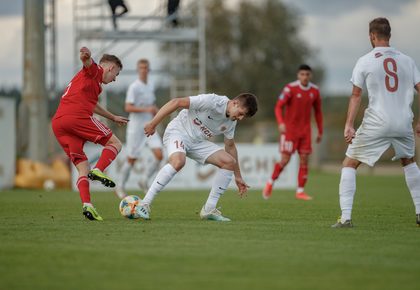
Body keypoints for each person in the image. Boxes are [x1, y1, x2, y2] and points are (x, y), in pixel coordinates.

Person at [332, 17, 420, 228]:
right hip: (403, 122)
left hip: (377, 121)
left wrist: (349, 125)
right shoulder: (407, 60)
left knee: (349, 164)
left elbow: (356, 95)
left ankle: (345, 218)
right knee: (409, 162)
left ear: (372, 36)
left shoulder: (365, 60)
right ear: (389, 35)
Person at [138, 93, 258, 221]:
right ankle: (144, 203)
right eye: (240, 113)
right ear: (235, 103)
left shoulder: (231, 122)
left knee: (229, 162)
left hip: (197, 142)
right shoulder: (212, 101)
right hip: (178, 132)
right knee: (178, 162)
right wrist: (153, 123)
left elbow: (230, 146)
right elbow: (176, 102)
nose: (240, 118)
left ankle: (209, 209)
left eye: (243, 116)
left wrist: (238, 176)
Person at [52, 47, 128, 221]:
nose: (115, 79)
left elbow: (93, 105)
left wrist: (112, 116)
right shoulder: (95, 72)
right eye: (116, 74)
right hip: (76, 117)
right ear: (110, 68)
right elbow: (88, 63)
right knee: (115, 144)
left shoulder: (93, 85)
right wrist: (85, 56)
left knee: (82, 167)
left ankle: (88, 205)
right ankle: (99, 170)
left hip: (59, 123)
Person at [262, 64, 323, 201]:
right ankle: (270, 183)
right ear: (298, 75)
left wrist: (320, 130)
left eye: (307, 74)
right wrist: (281, 122)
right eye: (302, 74)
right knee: (285, 160)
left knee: (304, 159)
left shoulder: (315, 91)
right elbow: (278, 106)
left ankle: (300, 191)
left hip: (305, 131)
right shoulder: (290, 89)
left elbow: (318, 112)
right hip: (290, 131)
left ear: (310, 75)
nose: (305, 77)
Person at [115, 59, 164, 199]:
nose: (143, 70)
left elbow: (151, 104)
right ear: (138, 70)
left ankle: (144, 180)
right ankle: (120, 186)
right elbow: (128, 107)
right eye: (141, 67)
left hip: (149, 126)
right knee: (132, 158)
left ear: (149, 70)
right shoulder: (134, 87)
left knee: (159, 154)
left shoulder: (150, 85)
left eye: (146, 67)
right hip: (136, 128)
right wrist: (147, 108)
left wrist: (155, 110)